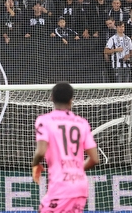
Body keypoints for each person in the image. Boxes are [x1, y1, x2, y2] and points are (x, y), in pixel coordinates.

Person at [32, 83, 99, 213]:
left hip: (60, 187)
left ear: (51, 98)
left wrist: (35, 165)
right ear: (71, 100)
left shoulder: (44, 120)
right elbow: (95, 159)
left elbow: (41, 151)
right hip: (80, 187)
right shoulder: (82, 123)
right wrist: (76, 169)